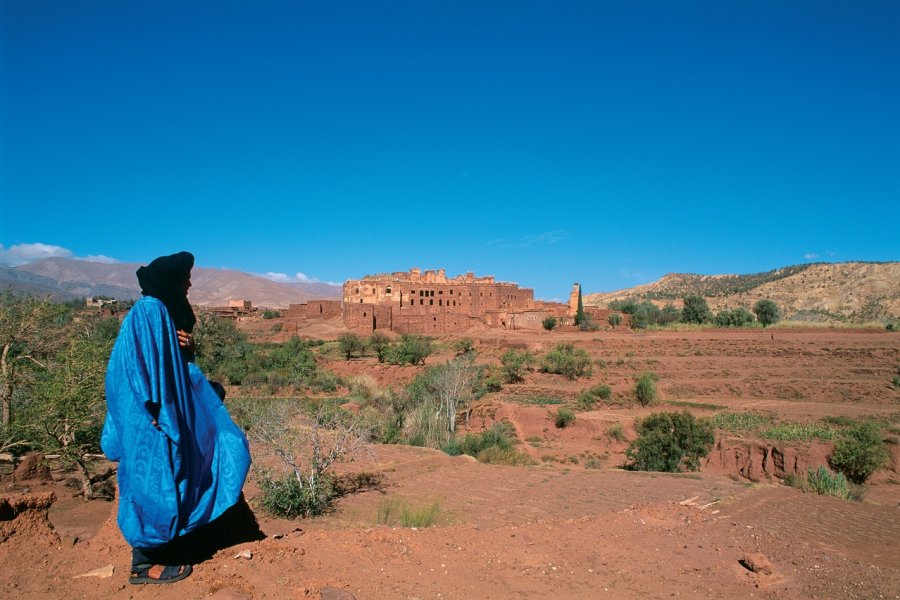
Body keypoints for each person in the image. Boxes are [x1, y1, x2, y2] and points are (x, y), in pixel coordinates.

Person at [101, 251, 250, 584]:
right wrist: (150, 412)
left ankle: (175, 543)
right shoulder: (149, 311)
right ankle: (144, 564)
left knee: (176, 474)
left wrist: (187, 348)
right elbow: (136, 370)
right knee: (150, 483)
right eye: (185, 278)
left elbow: (172, 368)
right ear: (171, 281)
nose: (190, 283)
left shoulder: (162, 315)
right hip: (151, 417)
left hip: (163, 412)